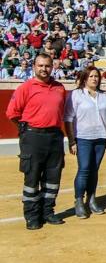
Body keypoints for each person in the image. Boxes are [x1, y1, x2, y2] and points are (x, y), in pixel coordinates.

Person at [6, 53, 66, 230]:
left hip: (54, 136)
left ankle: (48, 212)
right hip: (33, 136)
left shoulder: (59, 88)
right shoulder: (26, 87)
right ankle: (32, 216)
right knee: (32, 177)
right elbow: (12, 113)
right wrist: (25, 130)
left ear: (52, 67)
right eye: (40, 66)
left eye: (47, 66)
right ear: (34, 67)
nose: (44, 69)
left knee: (53, 178)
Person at [64, 66, 106, 219]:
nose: (94, 79)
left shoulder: (104, 96)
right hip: (83, 137)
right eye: (91, 76)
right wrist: (72, 140)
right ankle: (79, 201)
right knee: (84, 169)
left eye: (96, 76)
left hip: (100, 137)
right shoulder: (76, 95)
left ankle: (91, 199)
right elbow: (68, 118)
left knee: (94, 169)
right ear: (84, 78)